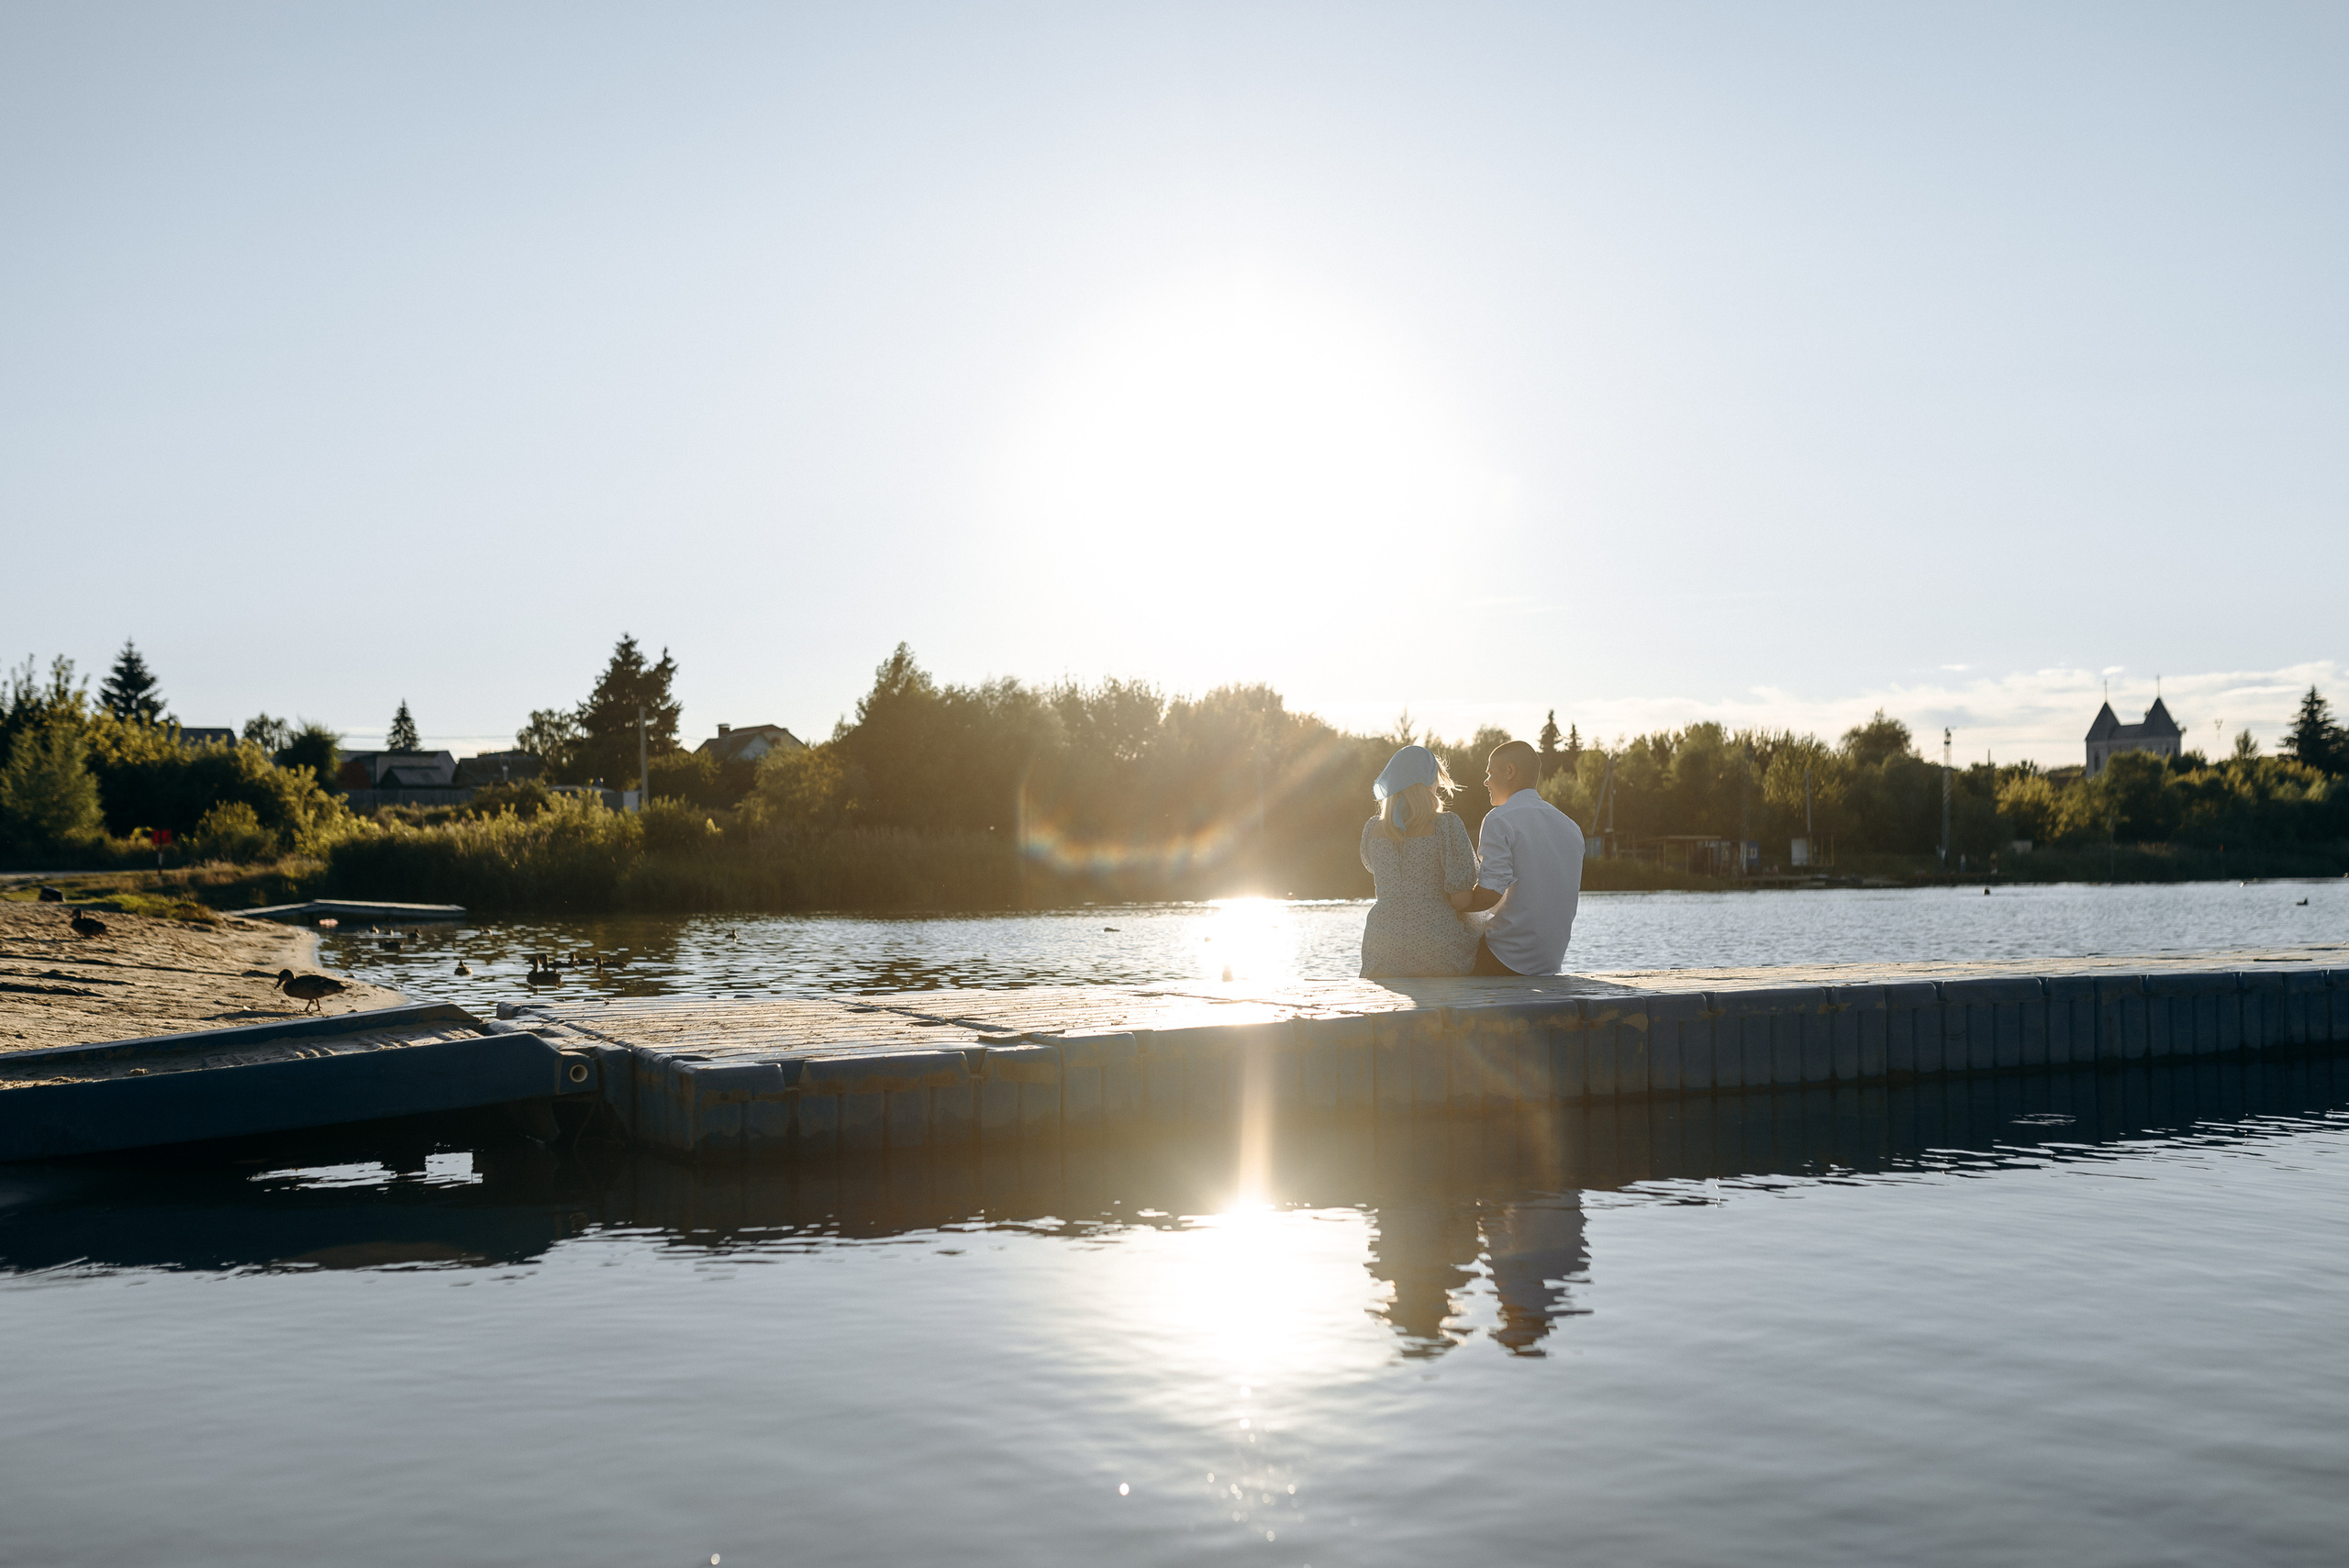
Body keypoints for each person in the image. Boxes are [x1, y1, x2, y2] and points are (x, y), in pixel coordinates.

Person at [1450, 739, 1584, 975]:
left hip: (1506, 956)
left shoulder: (1499, 819)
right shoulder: (1571, 826)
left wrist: (1452, 902)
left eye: (1490, 773)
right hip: (1549, 962)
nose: (1486, 781)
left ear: (1510, 771)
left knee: (1434, 949)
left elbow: (1490, 893)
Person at [1357, 744, 1481, 977]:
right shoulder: (1446, 826)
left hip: (1381, 945)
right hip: (1434, 946)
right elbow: (1461, 900)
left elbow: (1372, 867)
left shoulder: (1372, 829)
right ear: (1429, 783)